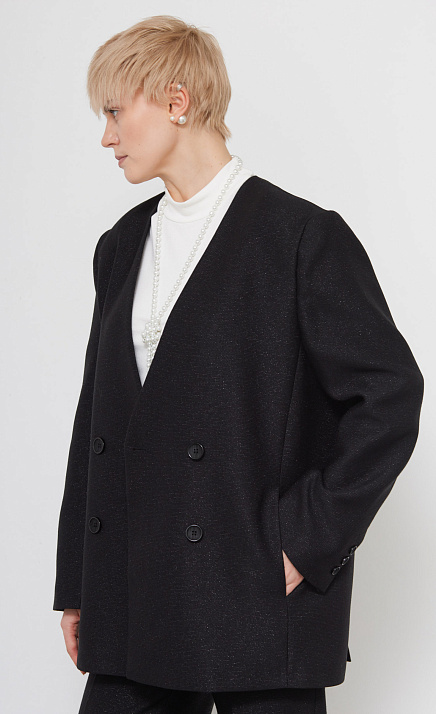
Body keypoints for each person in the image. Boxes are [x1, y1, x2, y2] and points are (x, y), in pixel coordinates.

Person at [53, 14, 424, 714]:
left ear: (177, 101)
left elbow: (389, 396)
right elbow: (95, 423)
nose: (105, 136)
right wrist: (79, 582)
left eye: (114, 112)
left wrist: (304, 542)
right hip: (133, 590)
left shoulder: (300, 238)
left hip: (251, 594)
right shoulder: (122, 245)